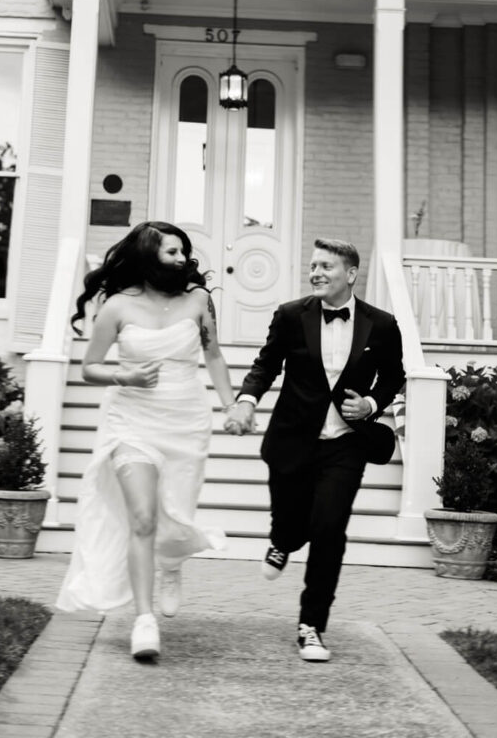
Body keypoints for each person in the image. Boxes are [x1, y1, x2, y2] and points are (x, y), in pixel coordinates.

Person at [56, 221, 236, 662]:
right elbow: (90, 367)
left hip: (186, 421)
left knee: (176, 509)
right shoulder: (117, 307)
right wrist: (126, 374)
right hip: (131, 421)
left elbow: (213, 356)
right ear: (146, 257)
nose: (181, 260)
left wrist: (232, 406)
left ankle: (170, 565)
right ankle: (143, 619)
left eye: (182, 252)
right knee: (142, 516)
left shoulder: (198, 301)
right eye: (171, 253)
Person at [225, 238, 404, 663]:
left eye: (326, 266)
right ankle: (282, 541)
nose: (316, 272)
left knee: (328, 529)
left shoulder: (381, 324)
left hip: (345, 445)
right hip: (292, 438)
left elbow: (393, 376)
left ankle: (311, 626)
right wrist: (247, 401)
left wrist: (372, 405)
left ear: (351, 273)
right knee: (290, 520)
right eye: (313, 266)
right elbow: (266, 364)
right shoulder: (291, 315)